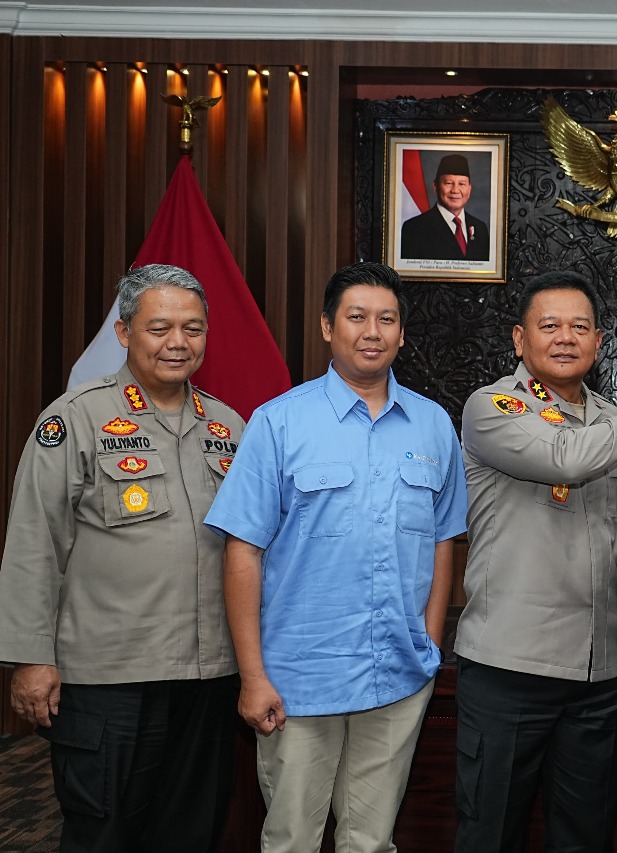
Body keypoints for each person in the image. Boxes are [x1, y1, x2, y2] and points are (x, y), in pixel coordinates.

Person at [204, 262, 467, 853]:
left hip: (398, 675)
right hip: (299, 680)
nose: (372, 331)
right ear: (328, 327)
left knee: (371, 841)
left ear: (402, 333)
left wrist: (428, 642)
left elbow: (442, 540)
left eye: (386, 319)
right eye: (356, 317)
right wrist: (253, 676)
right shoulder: (278, 422)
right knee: (292, 840)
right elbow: (242, 550)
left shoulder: (432, 425)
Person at [0, 264, 244, 851]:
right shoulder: (75, 418)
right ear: (124, 332)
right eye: (159, 328)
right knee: (102, 833)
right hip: (109, 679)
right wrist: (30, 659)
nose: (177, 342)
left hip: (209, 674)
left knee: (192, 832)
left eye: (192, 328)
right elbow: (34, 543)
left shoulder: (229, 427)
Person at [453, 270, 617, 852]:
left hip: (597, 671)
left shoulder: (611, 420)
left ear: (598, 343)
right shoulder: (492, 407)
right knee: (491, 835)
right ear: (519, 339)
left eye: (579, 327)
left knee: (586, 835)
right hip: (510, 666)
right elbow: (565, 458)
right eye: (549, 325)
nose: (565, 338)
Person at [401, 152, 491, 262]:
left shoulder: (480, 228)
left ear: (469, 189)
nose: (455, 190)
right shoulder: (414, 228)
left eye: (462, 184)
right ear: (435, 186)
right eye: (448, 183)